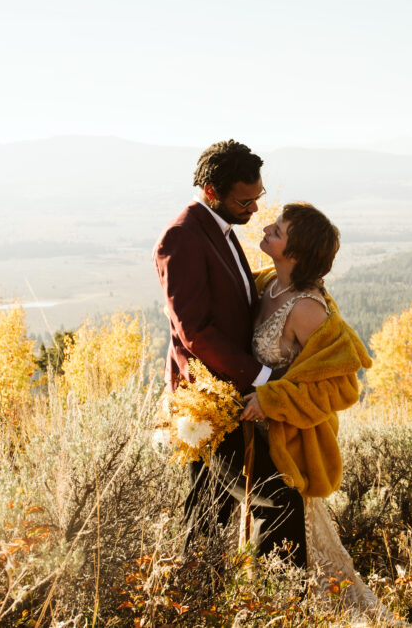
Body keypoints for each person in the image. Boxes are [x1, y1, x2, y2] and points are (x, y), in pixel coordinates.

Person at [153, 140, 307, 567]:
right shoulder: (181, 237)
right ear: (211, 191)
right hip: (209, 399)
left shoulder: (218, 230)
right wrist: (262, 377)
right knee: (278, 498)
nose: (255, 209)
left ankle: (192, 596)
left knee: (208, 505)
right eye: (246, 200)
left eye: (257, 198)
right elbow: (196, 332)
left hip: (221, 398)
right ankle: (279, 599)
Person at [239, 202, 394, 619]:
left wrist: (271, 400)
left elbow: (341, 385)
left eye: (280, 230)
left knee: (284, 541)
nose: (268, 227)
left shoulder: (308, 309)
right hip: (257, 436)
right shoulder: (269, 282)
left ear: (297, 253)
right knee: (258, 535)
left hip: (291, 440)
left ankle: (297, 615)